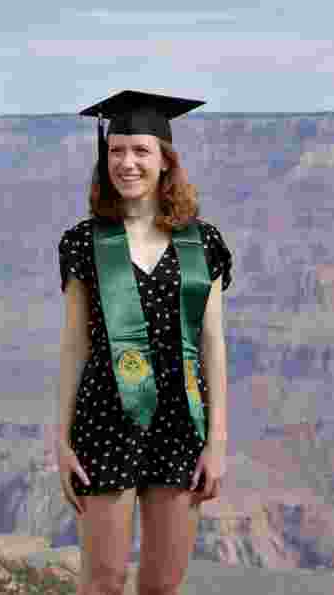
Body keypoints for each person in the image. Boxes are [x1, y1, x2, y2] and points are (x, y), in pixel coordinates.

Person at [56, 91, 232, 595]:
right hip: (105, 417)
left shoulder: (203, 244)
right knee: (103, 582)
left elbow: (214, 343)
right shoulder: (84, 243)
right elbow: (74, 346)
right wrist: (61, 440)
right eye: (116, 151)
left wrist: (217, 441)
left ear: (165, 161)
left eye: (140, 151)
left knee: (161, 584)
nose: (127, 163)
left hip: (182, 421)